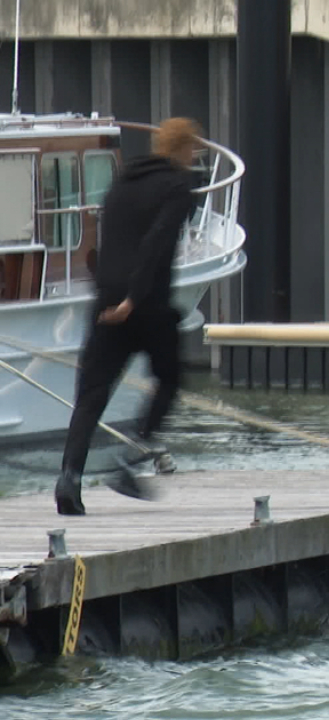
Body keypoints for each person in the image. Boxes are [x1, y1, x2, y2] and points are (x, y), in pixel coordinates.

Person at [56, 117, 203, 515]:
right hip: (146, 304)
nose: (194, 156)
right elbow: (157, 243)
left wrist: (110, 295)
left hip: (106, 300)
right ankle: (130, 459)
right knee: (169, 378)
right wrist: (134, 299)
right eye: (193, 148)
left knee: (91, 394)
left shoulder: (121, 182)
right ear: (181, 149)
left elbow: (108, 241)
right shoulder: (177, 187)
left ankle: (69, 479)